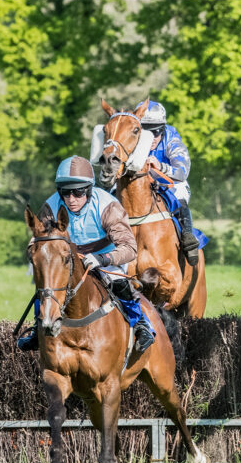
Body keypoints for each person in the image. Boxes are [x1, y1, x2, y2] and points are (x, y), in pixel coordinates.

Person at [17, 156, 155, 353]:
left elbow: (129, 248)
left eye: (78, 192)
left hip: (106, 257)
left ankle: (141, 324)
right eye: (66, 192)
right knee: (48, 284)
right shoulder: (51, 206)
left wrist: (102, 259)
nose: (71, 199)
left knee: (117, 282)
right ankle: (38, 328)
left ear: (89, 190)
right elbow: (41, 239)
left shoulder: (107, 205)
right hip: (68, 259)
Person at [140, 100, 201, 266]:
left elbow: (182, 172)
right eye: (146, 133)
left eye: (156, 132)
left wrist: (160, 167)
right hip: (140, 184)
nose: (152, 138)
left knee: (179, 192)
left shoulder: (172, 140)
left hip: (169, 183)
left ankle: (187, 237)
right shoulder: (132, 139)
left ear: (163, 128)